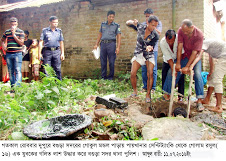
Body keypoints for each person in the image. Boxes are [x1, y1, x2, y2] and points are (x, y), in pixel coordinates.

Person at [162, 19, 205, 112]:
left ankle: (199, 100)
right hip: (184, 55)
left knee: (197, 74)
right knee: (172, 71)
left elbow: (194, 52)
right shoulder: (181, 30)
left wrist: (188, 66)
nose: (184, 33)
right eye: (183, 31)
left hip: (194, 58)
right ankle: (167, 95)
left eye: (187, 31)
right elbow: (179, 46)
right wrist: (178, 63)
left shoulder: (199, 35)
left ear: (192, 27)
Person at [126, 15, 159, 103]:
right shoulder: (140, 27)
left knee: (150, 73)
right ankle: (135, 91)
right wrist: (133, 22)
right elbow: (127, 23)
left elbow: (153, 45)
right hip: (139, 53)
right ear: (148, 23)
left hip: (148, 54)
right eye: (152, 25)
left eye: (155, 26)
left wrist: (150, 47)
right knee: (133, 73)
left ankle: (148, 94)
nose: (154, 27)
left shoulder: (155, 35)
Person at [190, 39, 226, 113]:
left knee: (217, 80)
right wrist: (211, 71)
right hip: (222, 57)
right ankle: (207, 99)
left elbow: (199, 56)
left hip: (224, 57)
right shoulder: (209, 46)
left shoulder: (203, 43)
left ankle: (219, 106)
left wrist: (191, 66)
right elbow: (211, 58)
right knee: (212, 78)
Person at [94, 10, 121, 80]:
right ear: (107, 16)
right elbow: (100, 34)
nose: (111, 18)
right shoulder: (103, 25)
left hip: (111, 44)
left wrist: (118, 47)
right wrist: (96, 44)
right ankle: (103, 77)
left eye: (113, 17)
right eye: (110, 17)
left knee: (111, 61)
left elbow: (119, 36)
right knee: (103, 61)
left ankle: (110, 77)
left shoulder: (116, 26)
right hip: (103, 44)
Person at [160, 29, 185, 103]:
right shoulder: (162, 42)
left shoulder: (179, 39)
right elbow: (168, 57)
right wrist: (173, 69)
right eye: (168, 41)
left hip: (179, 58)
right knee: (165, 75)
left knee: (180, 76)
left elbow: (181, 52)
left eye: (172, 41)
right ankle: (165, 95)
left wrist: (177, 65)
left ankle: (180, 97)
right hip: (168, 60)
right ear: (165, 38)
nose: (170, 43)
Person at [141, 8, 162, 92]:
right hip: (144, 49)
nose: (147, 18)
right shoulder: (143, 24)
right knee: (144, 68)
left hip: (154, 49)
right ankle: (145, 86)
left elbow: (159, 33)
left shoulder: (158, 23)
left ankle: (152, 87)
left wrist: (151, 26)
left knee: (153, 68)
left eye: (149, 16)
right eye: (146, 16)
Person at [0, 17, 24, 90]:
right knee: (10, 71)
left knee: (17, 70)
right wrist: (3, 46)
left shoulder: (20, 32)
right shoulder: (7, 32)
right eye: (12, 24)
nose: (13, 25)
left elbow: (21, 43)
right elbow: (2, 40)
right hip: (9, 54)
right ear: (9, 24)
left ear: (17, 24)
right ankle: (13, 88)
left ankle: (18, 88)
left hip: (18, 54)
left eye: (15, 24)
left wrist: (14, 35)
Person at [38, 16, 65, 80]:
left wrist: (62, 53)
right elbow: (41, 42)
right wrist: (39, 53)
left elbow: (61, 42)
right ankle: (48, 85)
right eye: (54, 22)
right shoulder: (45, 31)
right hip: (47, 51)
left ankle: (59, 84)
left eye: (57, 22)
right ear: (50, 22)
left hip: (57, 51)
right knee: (47, 68)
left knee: (57, 68)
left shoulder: (59, 31)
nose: (56, 24)